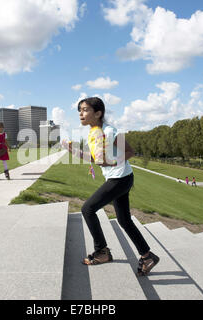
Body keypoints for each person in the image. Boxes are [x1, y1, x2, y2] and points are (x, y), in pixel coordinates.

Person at [63, 97, 159, 276]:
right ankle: (147, 256)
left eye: (84, 110)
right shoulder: (93, 133)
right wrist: (72, 150)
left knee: (88, 209)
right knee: (124, 220)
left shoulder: (109, 131)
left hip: (120, 179)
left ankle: (102, 252)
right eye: (79, 110)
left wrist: (113, 161)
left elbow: (130, 151)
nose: (80, 113)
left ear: (98, 113)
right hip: (117, 178)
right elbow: (96, 160)